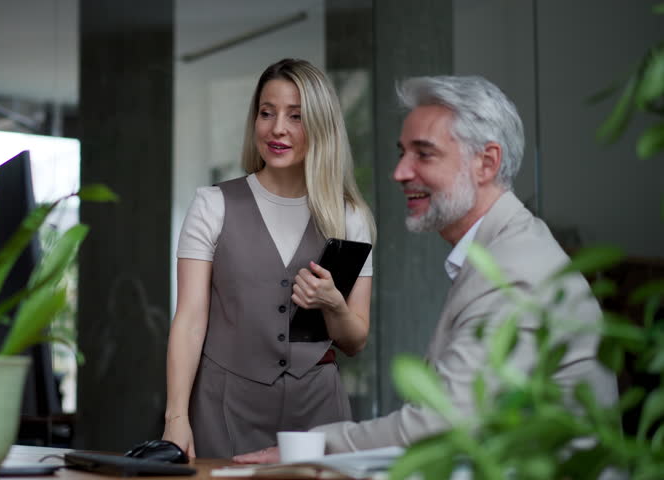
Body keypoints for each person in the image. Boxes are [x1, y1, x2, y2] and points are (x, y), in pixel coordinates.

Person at [234, 75, 618, 462]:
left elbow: (442, 423)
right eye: (402, 152)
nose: (400, 172)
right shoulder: (505, 248)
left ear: (486, 163)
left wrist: (313, 446)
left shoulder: (513, 270)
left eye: (424, 154)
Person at [162, 58, 377, 459]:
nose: (277, 128)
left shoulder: (349, 217)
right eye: (267, 112)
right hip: (224, 407)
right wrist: (177, 418)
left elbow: (355, 339)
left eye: (296, 116)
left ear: (321, 125)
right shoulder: (212, 206)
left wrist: (332, 304)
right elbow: (190, 318)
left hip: (319, 413)